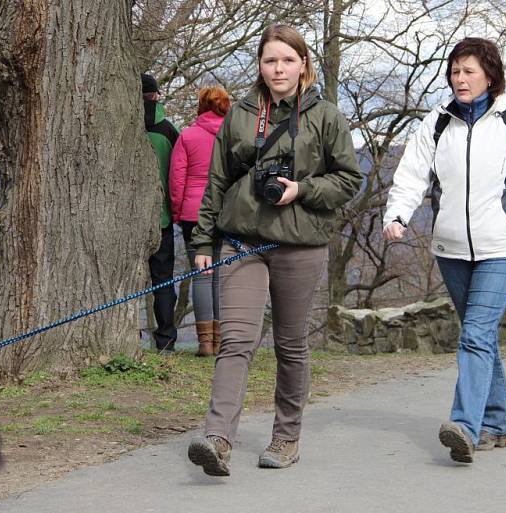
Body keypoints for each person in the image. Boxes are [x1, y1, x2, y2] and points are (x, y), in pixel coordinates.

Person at [186, 25, 363, 476]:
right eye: (270, 61)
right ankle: (218, 438)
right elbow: (217, 181)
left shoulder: (326, 116)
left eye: (287, 59)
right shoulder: (241, 114)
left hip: (299, 246)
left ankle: (286, 437)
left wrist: (302, 189)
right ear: (260, 66)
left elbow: (349, 180)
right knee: (237, 340)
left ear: (303, 63)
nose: (278, 68)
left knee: (290, 343)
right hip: (242, 241)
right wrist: (203, 240)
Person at [383, 37, 506, 463]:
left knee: (476, 335)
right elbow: (412, 174)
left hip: (503, 245)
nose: (460, 79)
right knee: (480, 338)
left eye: (469, 71)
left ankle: (465, 425)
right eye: (455, 71)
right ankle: (497, 424)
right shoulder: (437, 122)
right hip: (450, 248)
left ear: (490, 75)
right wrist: (397, 215)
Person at [169, 86, 230, 357]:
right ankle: (220, 341)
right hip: (226, 212)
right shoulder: (232, 137)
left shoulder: (188, 135)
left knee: (202, 276)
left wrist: (177, 211)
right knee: (220, 276)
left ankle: (205, 343)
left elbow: (177, 179)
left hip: (193, 214)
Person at [142, 73, 179, 354]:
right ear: (157, 95)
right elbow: (178, 175)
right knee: (163, 282)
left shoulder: (120, 128)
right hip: (162, 218)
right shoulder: (169, 131)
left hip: (124, 221)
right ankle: (165, 341)